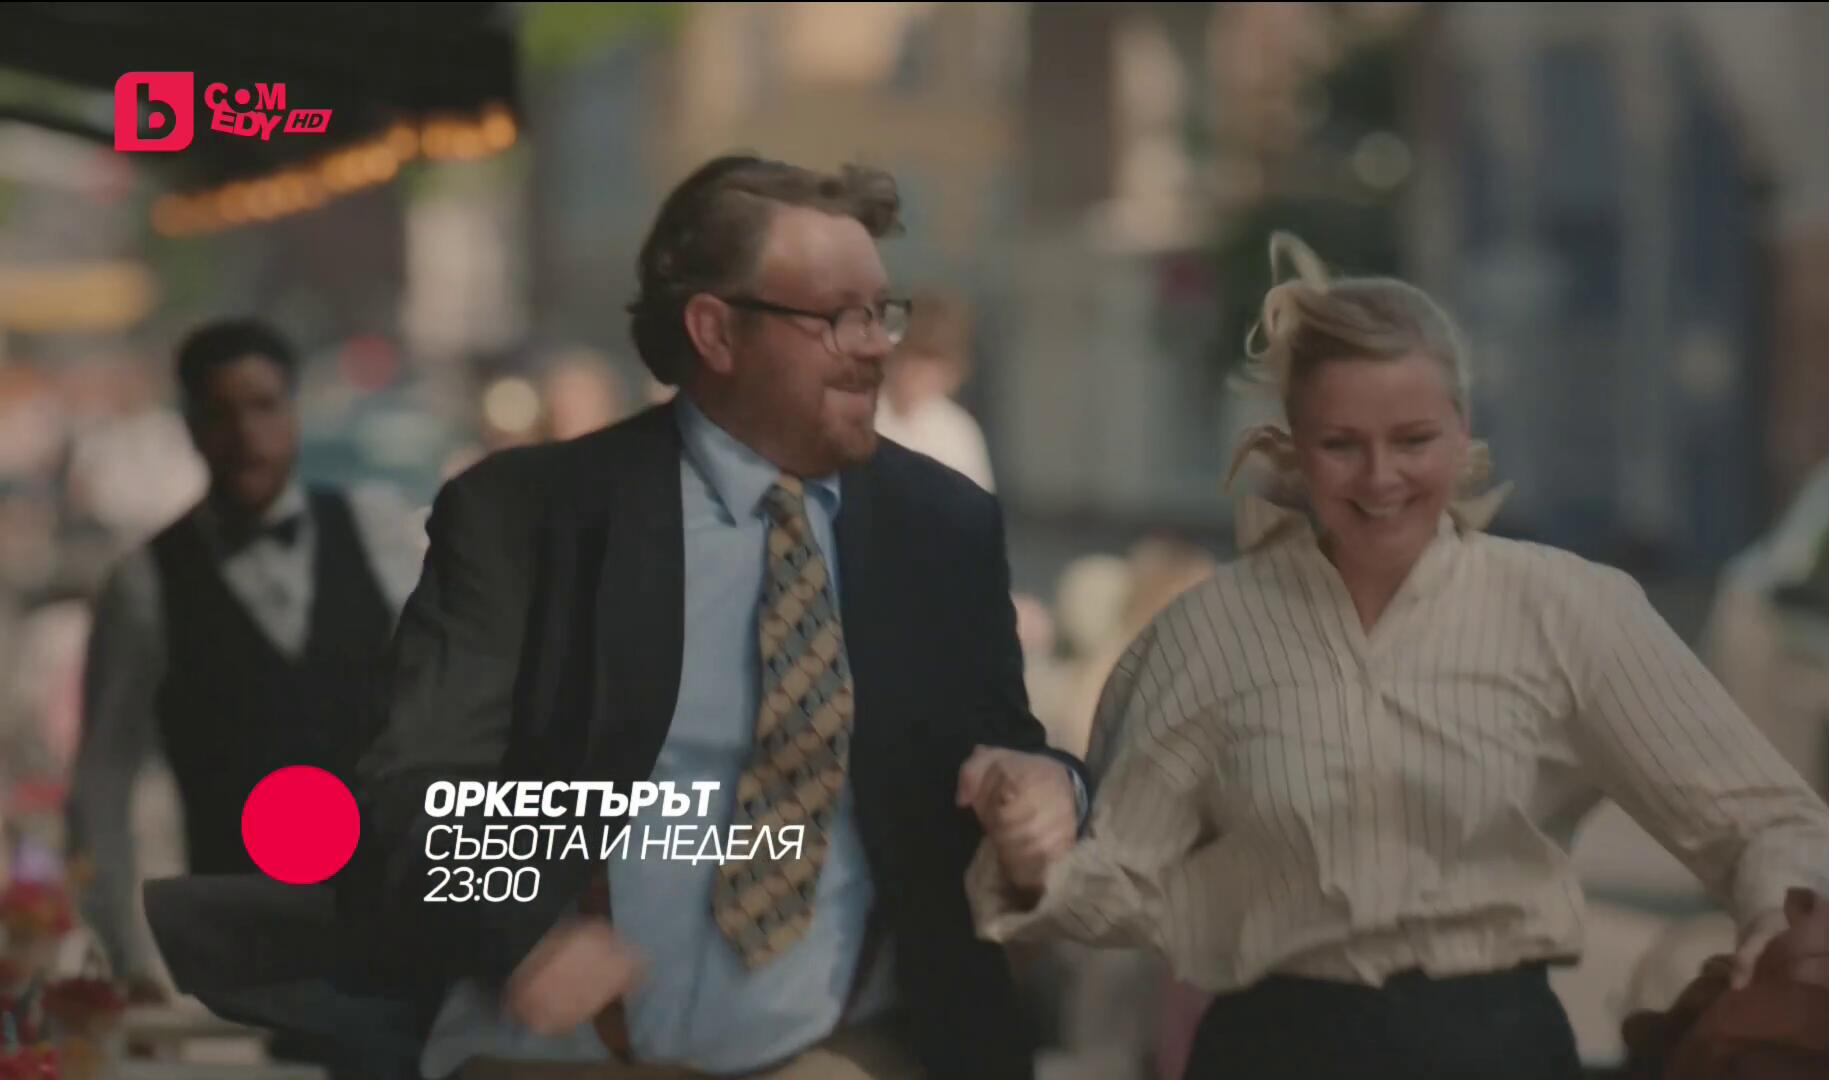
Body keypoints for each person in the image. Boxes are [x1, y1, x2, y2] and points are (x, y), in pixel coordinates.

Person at [966, 234, 1829, 1080]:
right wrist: (1035, 856)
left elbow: (1763, 819)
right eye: (1342, 444)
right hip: (1273, 1054)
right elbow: (1123, 881)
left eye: (1414, 440)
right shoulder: (1205, 637)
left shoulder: (1569, 611)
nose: (1380, 477)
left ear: (1463, 434)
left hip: (1495, 1053)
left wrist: (1775, 920)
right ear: (1295, 446)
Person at [341, 155, 1085, 1080]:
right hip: (558, 1054)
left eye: (881, 312)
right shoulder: (527, 518)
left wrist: (1052, 792)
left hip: (840, 1052)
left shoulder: (944, 525)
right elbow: (411, 785)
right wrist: (522, 934)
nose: (875, 346)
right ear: (716, 331)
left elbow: (1009, 753)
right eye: (836, 318)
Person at [67, 318, 424, 994]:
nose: (246, 435)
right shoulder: (145, 582)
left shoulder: (376, 531)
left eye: (264, 406)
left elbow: (444, 709)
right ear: (190, 426)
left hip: (384, 917)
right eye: (220, 413)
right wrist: (125, 955)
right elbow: (103, 778)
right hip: (233, 936)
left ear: (294, 411)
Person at [872, 291, 994, 493]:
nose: (914, 374)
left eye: (929, 366)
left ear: (952, 373)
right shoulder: (859, 417)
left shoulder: (957, 432)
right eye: (909, 358)